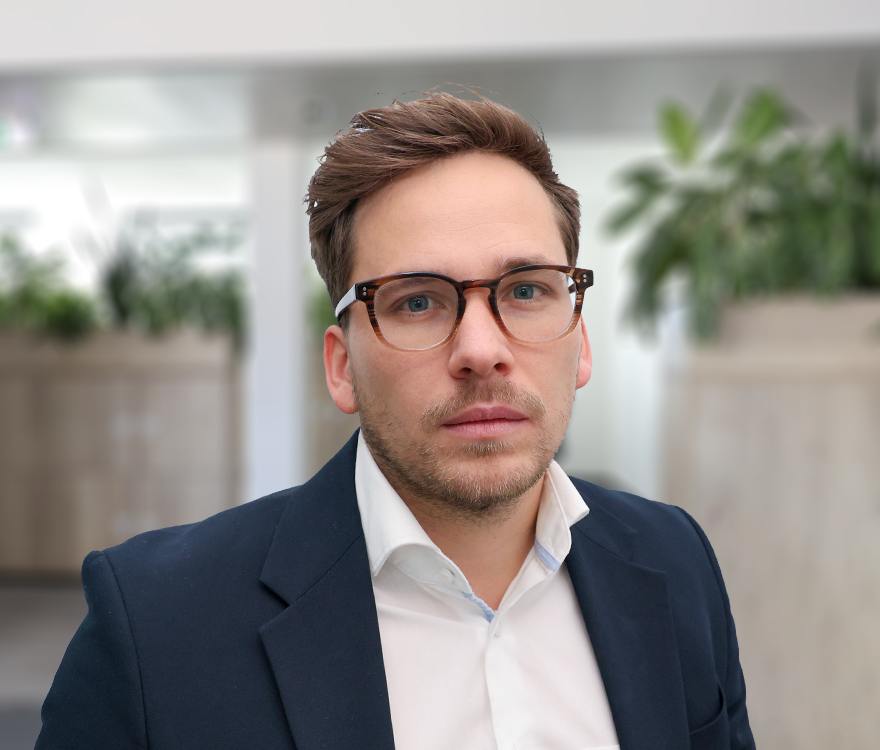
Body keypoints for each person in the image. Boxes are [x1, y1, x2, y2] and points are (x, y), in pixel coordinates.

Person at [37, 93, 755, 750]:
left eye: (527, 290)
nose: (482, 350)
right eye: (417, 301)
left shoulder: (675, 561)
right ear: (341, 365)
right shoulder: (155, 626)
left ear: (582, 341)